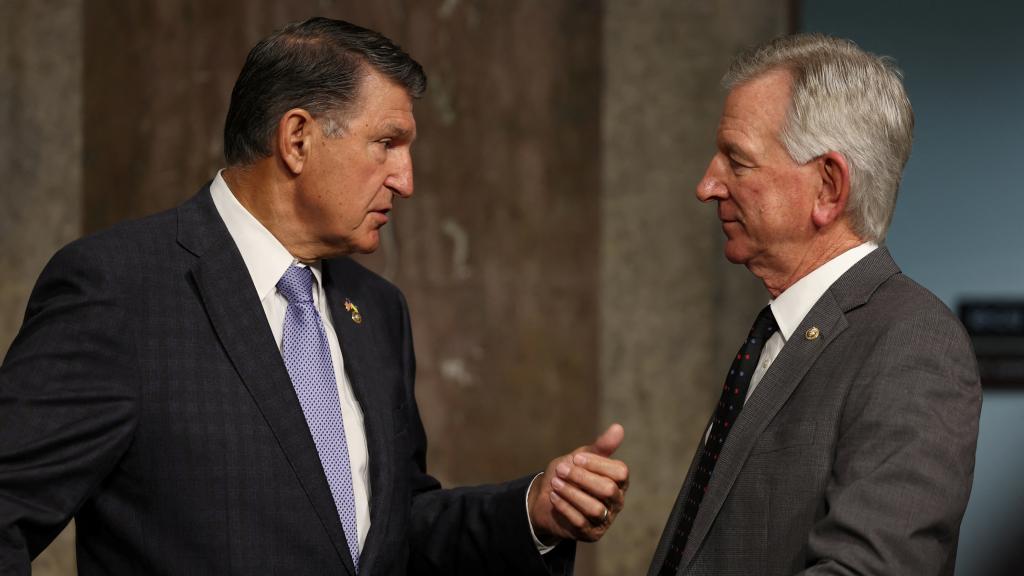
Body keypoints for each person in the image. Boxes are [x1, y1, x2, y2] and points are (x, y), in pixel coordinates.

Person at [0, 17, 628, 575]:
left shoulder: (378, 311)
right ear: (297, 138)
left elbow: (392, 530)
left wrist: (532, 513)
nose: (406, 180)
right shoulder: (120, 289)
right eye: (386, 143)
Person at [648, 34, 980, 575]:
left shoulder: (913, 344)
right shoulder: (781, 332)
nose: (707, 185)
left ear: (828, 186)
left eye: (738, 161)